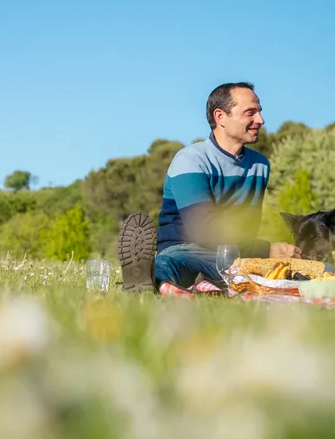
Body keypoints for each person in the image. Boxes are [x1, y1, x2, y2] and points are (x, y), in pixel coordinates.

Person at [118, 82, 300, 293]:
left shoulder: (260, 165)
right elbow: (203, 230)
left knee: (305, 272)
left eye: (259, 112)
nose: (260, 120)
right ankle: (150, 281)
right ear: (220, 117)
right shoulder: (190, 159)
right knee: (172, 263)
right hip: (186, 248)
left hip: (236, 255)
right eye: (250, 112)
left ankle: (190, 288)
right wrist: (266, 249)